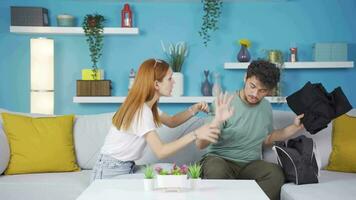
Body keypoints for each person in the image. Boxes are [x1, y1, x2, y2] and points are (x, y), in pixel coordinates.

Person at [91, 58, 234, 181]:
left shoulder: (147, 106)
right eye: (170, 78)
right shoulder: (141, 112)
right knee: (170, 179)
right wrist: (196, 134)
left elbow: (172, 121)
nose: (174, 82)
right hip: (109, 173)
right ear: (156, 84)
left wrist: (194, 109)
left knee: (175, 171)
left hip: (125, 167)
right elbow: (161, 151)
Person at [196, 60, 304, 200]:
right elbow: (201, 144)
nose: (255, 94)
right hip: (220, 160)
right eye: (252, 86)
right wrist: (217, 121)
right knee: (217, 170)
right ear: (245, 78)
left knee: (275, 174)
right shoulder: (224, 102)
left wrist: (294, 127)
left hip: (249, 165)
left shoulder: (265, 107)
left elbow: (268, 138)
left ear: (269, 91)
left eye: (262, 90)